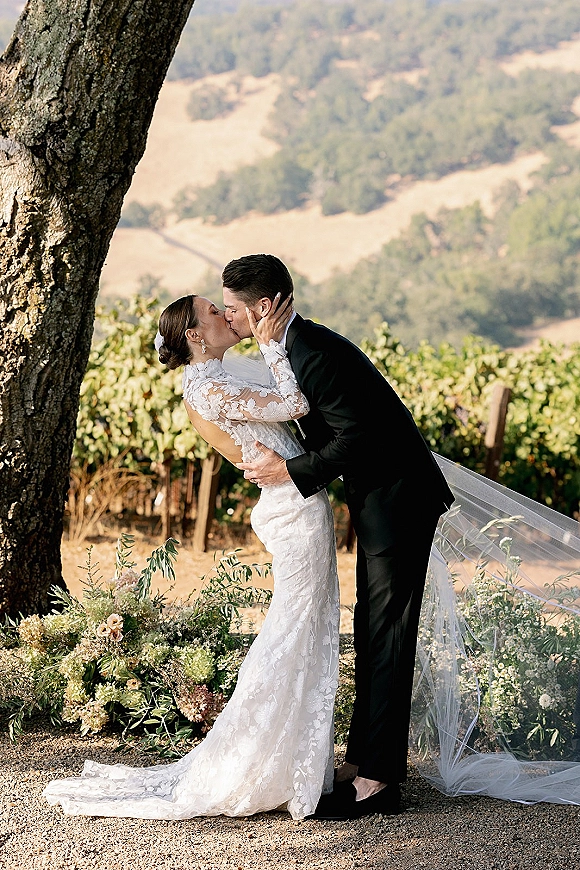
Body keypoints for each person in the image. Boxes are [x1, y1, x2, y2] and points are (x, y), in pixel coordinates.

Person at [44, 294, 340, 821]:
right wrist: (273, 347)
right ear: (197, 336)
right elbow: (294, 405)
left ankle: (295, 761)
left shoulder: (213, 378)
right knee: (294, 630)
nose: (227, 316)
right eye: (213, 312)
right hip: (294, 509)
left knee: (308, 627)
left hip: (298, 502)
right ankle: (263, 762)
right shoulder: (211, 385)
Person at [222, 254, 454, 820]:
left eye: (231, 309)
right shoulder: (293, 347)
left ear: (262, 308)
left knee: (389, 637)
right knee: (373, 632)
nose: (226, 319)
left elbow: (354, 437)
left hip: (399, 501)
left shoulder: (314, 353)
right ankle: (367, 760)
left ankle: (380, 783)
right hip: (380, 501)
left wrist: (290, 473)